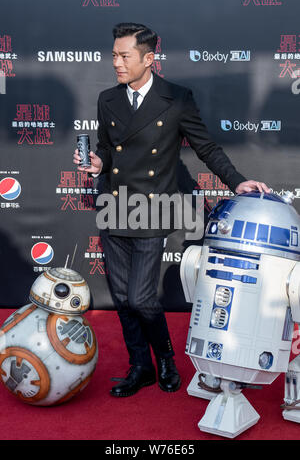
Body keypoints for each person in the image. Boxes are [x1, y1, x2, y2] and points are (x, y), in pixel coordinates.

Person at [73, 22, 270, 397]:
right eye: (114, 54)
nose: (116, 62)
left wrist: (236, 181)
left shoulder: (176, 99)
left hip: (151, 208)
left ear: (149, 59)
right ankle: (139, 366)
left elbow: (206, 147)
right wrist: (97, 163)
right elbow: (105, 147)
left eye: (124, 56)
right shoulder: (107, 99)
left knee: (142, 297)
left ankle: (164, 358)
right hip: (113, 206)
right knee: (121, 296)